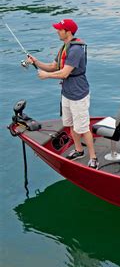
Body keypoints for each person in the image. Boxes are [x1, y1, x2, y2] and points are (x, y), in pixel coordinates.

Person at [28, 19, 98, 169]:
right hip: (67, 93)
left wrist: (46, 75)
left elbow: (65, 73)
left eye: (60, 29)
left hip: (78, 94)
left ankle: (93, 157)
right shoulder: (65, 47)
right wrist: (36, 62)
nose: (57, 31)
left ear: (68, 32)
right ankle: (79, 150)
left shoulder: (75, 50)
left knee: (83, 128)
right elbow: (53, 66)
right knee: (70, 124)